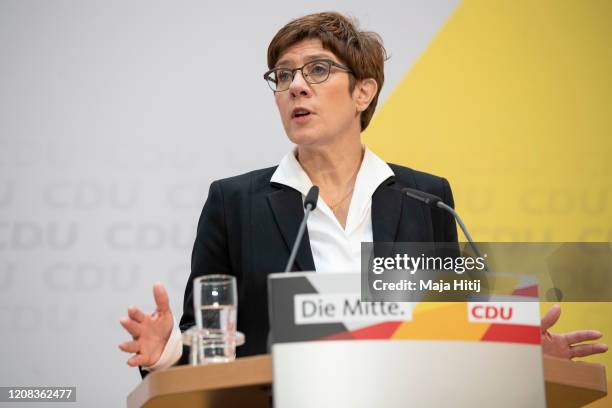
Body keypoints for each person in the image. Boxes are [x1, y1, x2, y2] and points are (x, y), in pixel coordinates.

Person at [118, 12, 607, 373]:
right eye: (283, 75)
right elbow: (205, 340)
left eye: (317, 70)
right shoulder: (234, 202)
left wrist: (520, 355)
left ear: (363, 93)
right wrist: (166, 352)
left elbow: (458, 326)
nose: (296, 87)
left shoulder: (426, 197)